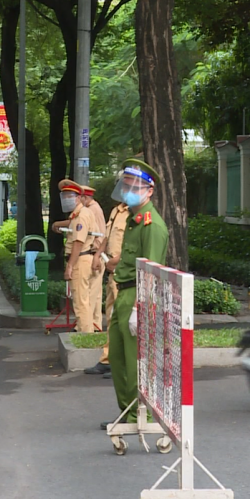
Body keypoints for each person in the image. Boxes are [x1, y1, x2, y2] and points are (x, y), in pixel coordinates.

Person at [103, 160, 168, 429]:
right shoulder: (133, 220)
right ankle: (127, 411)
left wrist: (138, 308)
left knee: (135, 362)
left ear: (149, 191)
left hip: (137, 296)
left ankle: (140, 415)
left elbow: (152, 272)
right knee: (118, 359)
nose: (128, 191)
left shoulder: (152, 226)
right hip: (123, 292)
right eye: (126, 185)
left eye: (135, 187)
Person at [85, 197, 129, 378]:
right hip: (112, 271)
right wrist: (98, 255)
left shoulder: (135, 213)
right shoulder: (116, 211)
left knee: (123, 319)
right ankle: (108, 359)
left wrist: (115, 261)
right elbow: (107, 237)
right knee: (111, 318)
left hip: (124, 271)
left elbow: (132, 245)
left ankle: (123, 363)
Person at [51, 179, 99, 333]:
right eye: (64, 196)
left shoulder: (81, 216)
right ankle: (86, 333)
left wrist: (70, 266)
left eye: (69, 196)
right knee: (83, 301)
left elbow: (78, 242)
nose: (66, 199)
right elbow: (72, 226)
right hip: (84, 258)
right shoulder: (79, 214)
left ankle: (85, 336)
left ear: (78, 198)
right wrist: (58, 224)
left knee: (80, 303)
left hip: (80, 260)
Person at [81, 185, 107, 332]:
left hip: (94, 253)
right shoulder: (95, 208)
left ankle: (86, 326)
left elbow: (98, 234)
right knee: (96, 293)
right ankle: (95, 324)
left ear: (85, 197)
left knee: (90, 292)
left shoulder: (91, 210)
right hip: (97, 253)